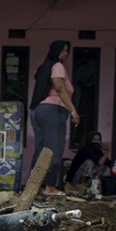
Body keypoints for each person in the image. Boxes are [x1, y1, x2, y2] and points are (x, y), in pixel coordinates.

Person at [28, 40, 80, 196]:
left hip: (38, 111)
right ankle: (50, 186)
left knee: (41, 149)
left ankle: (34, 186)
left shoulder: (44, 67)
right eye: (63, 50)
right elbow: (59, 88)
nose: (65, 54)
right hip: (53, 111)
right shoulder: (57, 66)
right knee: (54, 149)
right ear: (55, 51)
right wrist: (73, 110)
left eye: (67, 51)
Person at [65, 131, 116, 196]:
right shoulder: (85, 149)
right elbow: (98, 162)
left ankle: (95, 184)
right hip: (76, 179)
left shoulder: (98, 151)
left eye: (98, 140)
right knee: (90, 162)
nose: (96, 142)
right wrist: (107, 152)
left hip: (92, 177)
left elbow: (109, 163)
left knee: (104, 164)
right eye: (94, 140)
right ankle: (86, 185)